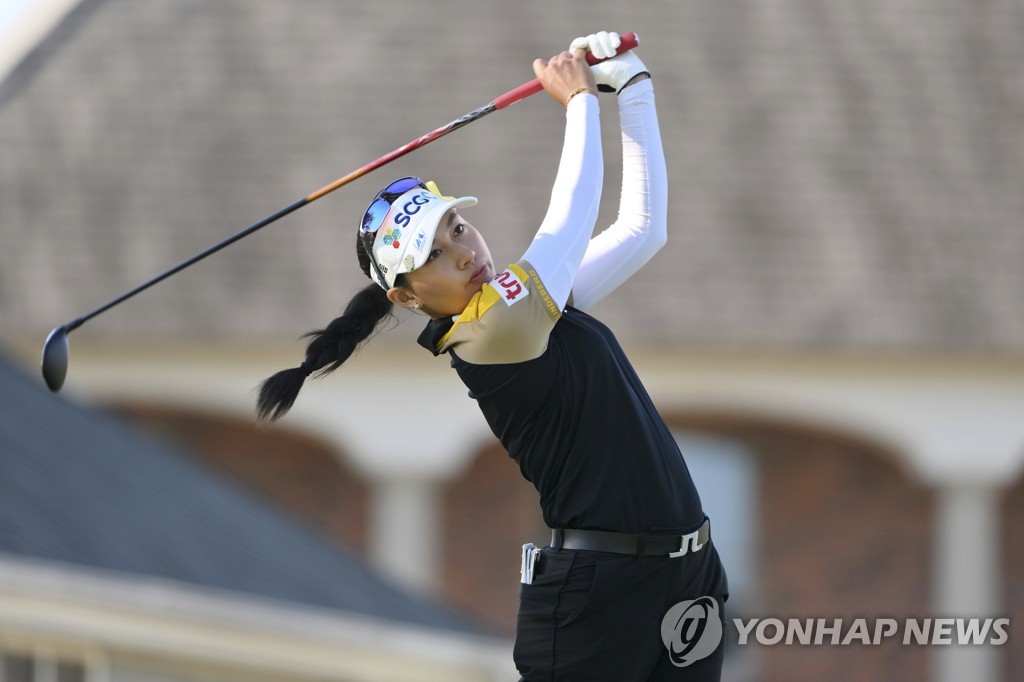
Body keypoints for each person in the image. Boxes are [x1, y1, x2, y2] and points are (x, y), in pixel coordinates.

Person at [257, 31, 728, 681]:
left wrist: (633, 87)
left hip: (687, 579)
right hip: (596, 601)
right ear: (407, 295)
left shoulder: (533, 305)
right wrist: (580, 104)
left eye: (456, 227)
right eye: (434, 257)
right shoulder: (492, 332)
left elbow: (643, 229)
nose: (465, 252)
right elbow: (567, 223)